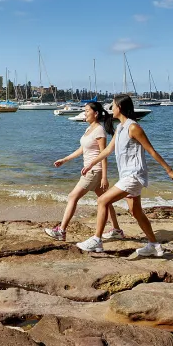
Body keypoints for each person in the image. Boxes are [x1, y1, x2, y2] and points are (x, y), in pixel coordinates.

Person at [76, 94, 173, 256]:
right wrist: (91, 163)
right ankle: (154, 244)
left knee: (102, 200)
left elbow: (151, 150)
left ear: (120, 108)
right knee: (136, 212)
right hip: (126, 176)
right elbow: (108, 150)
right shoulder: (120, 128)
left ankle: (97, 240)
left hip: (134, 175)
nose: (111, 108)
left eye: (113, 105)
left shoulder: (133, 127)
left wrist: (169, 170)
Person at [44, 101, 123, 242]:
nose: (85, 113)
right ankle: (117, 230)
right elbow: (83, 149)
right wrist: (65, 159)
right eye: (85, 110)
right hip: (92, 171)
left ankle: (61, 231)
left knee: (72, 196)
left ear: (96, 113)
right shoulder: (89, 129)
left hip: (94, 171)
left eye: (87, 111)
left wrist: (104, 177)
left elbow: (104, 154)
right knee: (106, 202)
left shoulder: (99, 130)